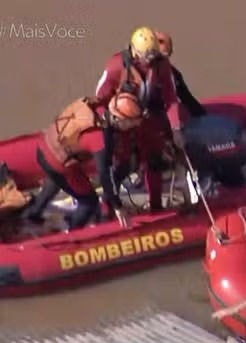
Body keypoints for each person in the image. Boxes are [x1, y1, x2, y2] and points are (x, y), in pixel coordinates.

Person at [91, 26, 187, 212]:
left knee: (154, 160)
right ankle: (107, 204)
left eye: (152, 55)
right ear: (135, 52)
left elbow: (170, 98)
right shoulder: (116, 66)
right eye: (146, 56)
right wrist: (109, 123)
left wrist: (176, 128)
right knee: (123, 165)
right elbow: (100, 98)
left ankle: (156, 206)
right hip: (123, 121)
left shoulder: (161, 66)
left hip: (147, 118)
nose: (149, 60)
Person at [22, 93, 146, 229]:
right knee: (89, 201)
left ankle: (32, 214)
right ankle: (73, 232)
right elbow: (105, 175)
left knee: (56, 180)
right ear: (117, 119)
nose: (136, 124)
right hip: (58, 163)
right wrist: (118, 206)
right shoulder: (101, 139)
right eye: (132, 121)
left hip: (45, 147)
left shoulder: (100, 107)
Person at [154, 31, 207, 118]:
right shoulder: (130, 70)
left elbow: (188, 100)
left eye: (165, 58)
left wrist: (203, 116)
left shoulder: (174, 75)